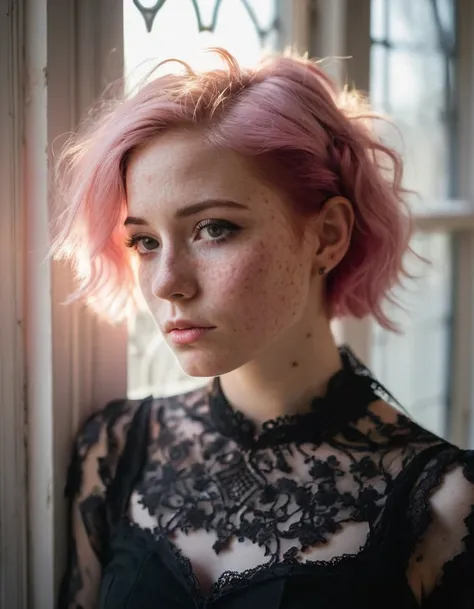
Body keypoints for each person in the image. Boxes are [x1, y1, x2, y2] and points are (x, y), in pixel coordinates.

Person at [50, 48, 474, 609]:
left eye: (214, 228)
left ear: (327, 236)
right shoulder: (115, 448)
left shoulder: (446, 504)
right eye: (145, 242)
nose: (167, 283)